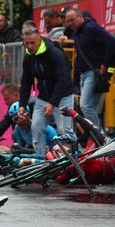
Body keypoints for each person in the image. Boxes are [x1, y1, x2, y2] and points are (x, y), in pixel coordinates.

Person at [18, 27, 76, 155]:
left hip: (63, 96)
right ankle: (41, 160)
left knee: (64, 131)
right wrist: (22, 104)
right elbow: (26, 82)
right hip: (43, 97)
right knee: (36, 127)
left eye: (32, 43)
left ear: (40, 39)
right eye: (26, 43)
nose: (29, 46)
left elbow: (63, 80)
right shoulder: (28, 57)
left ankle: (76, 157)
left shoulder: (54, 53)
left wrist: (53, 103)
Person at [65, 8, 115, 127]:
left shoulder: (91, 28)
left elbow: (112, 42)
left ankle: (99, 136)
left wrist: (106, 64)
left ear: (80, 17)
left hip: (93, 73)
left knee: (85, 105)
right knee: (88, 106)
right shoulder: (78, 31)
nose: (69, 24)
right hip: (85, 74)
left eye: (71, 20)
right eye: (67, 21)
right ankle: (99, 136)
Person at [0, 83, 35, 152]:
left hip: (37, 147)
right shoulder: (12, 109)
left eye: (7, 99)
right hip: (22, 147)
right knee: (1, 149)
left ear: (17, 96)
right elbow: (3, 125)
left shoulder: (33, 105)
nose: (5, 102)